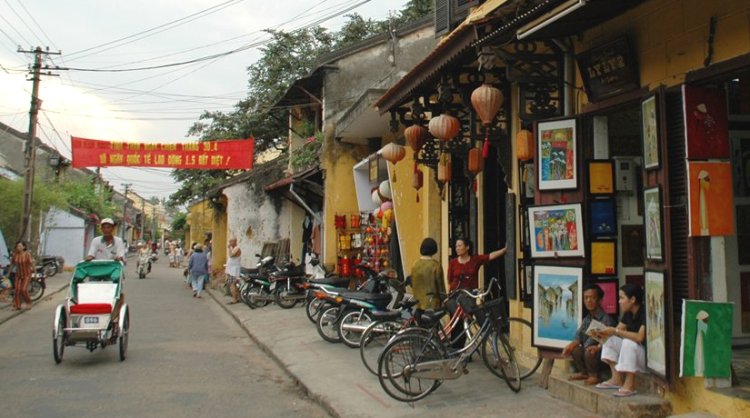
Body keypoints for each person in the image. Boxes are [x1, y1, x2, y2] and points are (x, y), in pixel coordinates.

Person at [447, 238, 507, 349]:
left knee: (467, 321)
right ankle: (456, 347)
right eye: (456, 246)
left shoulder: (475, 260)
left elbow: (489, 256)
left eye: (460, 246)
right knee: (456, 322)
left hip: (469, 295)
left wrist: (504, 250)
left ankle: (462, 348)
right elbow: (450, 279)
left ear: (467, 247)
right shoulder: (453, 262)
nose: (457, 248)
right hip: (455, 295)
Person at [594, 283, 646, 397]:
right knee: (610, 339)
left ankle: (630, 385)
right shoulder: (628, 313)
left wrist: (615, 331)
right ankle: (616, 379)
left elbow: (639, 337)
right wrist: (602, 334)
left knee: (628, 342)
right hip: (634, 353)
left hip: (646, 358)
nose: (619, 301)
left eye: (622, 298)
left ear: (632, 299)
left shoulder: (644, 313)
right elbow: (616, 330)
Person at [562, 284, 617, 385]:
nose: (588, 301)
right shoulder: (587, 318)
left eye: (592, 297)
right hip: (588, 353)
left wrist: (597, 348)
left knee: (590, 350)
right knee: (575, 349)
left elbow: (607, 342)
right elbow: (578, 336)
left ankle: (594, 375)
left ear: (599, 300)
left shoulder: (606, 319)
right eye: (586, 298)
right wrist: (571, 346)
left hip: (602, 356)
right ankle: (584, 372)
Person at [410, 238, 444, 310]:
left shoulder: (415, 264)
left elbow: (412, 282)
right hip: (432, 303)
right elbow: (440, 285)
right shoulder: (436, 265)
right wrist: (443, 299)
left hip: (417, 302)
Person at [9, 241, 34, 311]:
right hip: (18, 275)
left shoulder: (27, 255)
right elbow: (12, 264)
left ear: (24, 247)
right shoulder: (15, 255)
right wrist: (8, 273)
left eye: (20, 246)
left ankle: (29, 302)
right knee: (17, 290)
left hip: (26, 275)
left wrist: (34, 273)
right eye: (17, 246)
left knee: (23, 290)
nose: (18, 248)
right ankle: (17, 305)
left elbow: (32, 264)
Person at [225, 237, 242, 304]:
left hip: (234, 270)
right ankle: (236, 297)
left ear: (235, 242)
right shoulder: (233, 248)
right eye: (229, 242)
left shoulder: (237, 248)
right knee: (233, 284)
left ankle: (234, 299)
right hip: (231, 270)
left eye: (231, 242)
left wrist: (229, 248)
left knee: (233, 284)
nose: (230, 243)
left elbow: (231, 255)